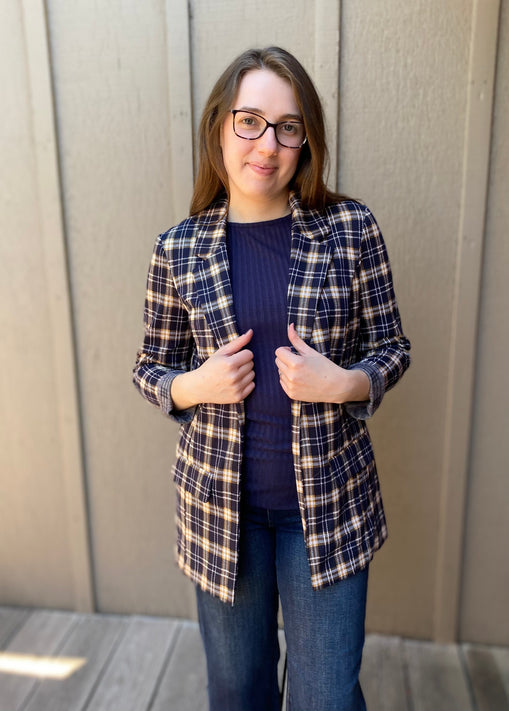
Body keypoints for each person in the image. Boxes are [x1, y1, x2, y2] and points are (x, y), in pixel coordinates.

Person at [133, 46, 411, 711]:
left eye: (288, 126)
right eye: (249, 121)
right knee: (238, 691)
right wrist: (192, 385)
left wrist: (343, 383)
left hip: (326, 505)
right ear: (219, 129)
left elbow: (392, 346)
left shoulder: (348, 229)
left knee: (326, 696)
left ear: (306, 140)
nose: (268, 143)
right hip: (221, 512)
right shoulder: (178, 248)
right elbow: (149, 365)